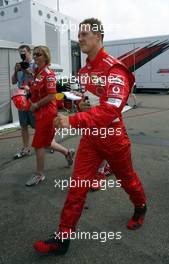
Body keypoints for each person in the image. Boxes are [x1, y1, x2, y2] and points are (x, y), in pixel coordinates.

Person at [33, 19, 147, 254]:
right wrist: (82, 106)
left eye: (85, 34)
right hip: (91, 138)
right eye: (79, 34)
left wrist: (72, 120)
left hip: (113, 137)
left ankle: (140, 205)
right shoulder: (85, 70)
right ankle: (62, 238)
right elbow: (92, 102)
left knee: (128, 180)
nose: (81, 38)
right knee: (77, 187)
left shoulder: (114, 68)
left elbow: (110, 110)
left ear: (99, 37)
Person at [25, 46, 75, 187]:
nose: (35, 56)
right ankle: (67, 152)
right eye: (34, 54)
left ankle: (39, 174)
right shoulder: (38, 72)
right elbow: (36, 88)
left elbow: (52, 95)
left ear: (45, 56)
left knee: (38, 144)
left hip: (47, 113)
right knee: (46, 142)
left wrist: (36, 105)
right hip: (40, 112)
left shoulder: (48, 73)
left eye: (38, 54)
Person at [12, 45, 35, 159]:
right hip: (21, 98)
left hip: (32, 97)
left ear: (29, 52)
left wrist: (27, 71)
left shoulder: (35, 64)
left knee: (37, 125)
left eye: (24, 52)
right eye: (20, 52)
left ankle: (50, 143)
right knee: (23, 125)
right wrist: (16, 71)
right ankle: (26, 148)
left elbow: (38, 79)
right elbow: (13, 81)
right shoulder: (18, 65)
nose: (22, 54)